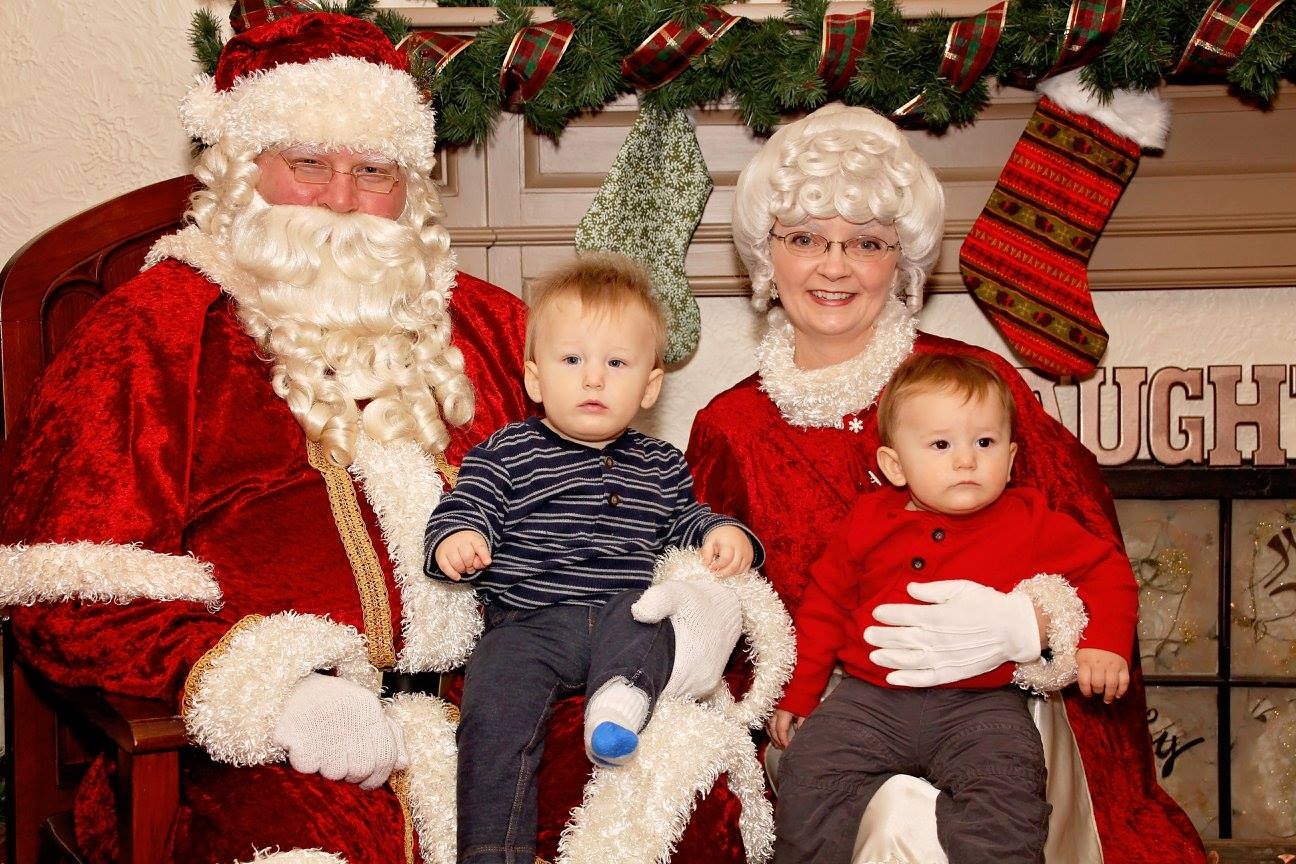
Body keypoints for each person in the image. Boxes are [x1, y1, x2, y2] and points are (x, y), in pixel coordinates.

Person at [0, 8, 752, 863]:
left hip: (520, 686)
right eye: (308, 164)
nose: (343, 200)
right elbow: (69, 591)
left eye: (375, 171)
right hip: (274, 740)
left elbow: (621, 493)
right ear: (242, 168)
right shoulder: (152, 332)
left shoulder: (494, 324)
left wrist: (687, 597)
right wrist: (273, 690)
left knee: (681, 786)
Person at [686, 102, 1206, 862]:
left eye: (866, 242)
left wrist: (1027, 627)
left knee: (937, 810)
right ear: (768, 258)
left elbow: (1089, 546)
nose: (834, 266)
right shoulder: (730, 425)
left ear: (901, 263)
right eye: (805, 239)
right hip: (840, 721)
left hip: (1000, 704)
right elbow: (717, 616)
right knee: (874, 804)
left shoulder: (976, 387)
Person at [424, 254, 762, 863]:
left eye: (616, 364)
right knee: (493, 704)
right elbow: (464, 506)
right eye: (572, 360)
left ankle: (620, 702)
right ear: (533, 378)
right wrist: (458, 539)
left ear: (650, 385)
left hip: (622, 615)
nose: (593, 381)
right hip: (529, 624)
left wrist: (722, 532)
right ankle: (491, 850)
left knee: (655, 625)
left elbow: (685, 521)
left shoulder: (659, 465)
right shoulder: (508, 450)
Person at [769, 352, 1137, 863]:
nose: (966, 459)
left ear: (1010, 460)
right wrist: (801, 692)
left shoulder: (1029, 521)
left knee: (1010, 787)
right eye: (941, 445)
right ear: (895, 465)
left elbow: (1107, 570)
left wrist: (1105, 643)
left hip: (982, 705)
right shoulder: (868, 521)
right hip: (871, 699)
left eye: (983, 443)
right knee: (808, 770)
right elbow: (823, 606)